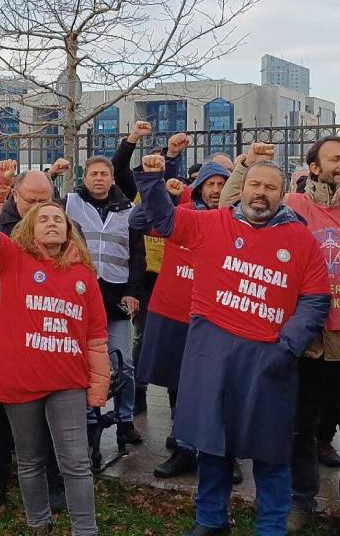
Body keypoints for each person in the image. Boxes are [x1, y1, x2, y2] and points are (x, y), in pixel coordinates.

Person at [136, 154, 331, 536]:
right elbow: (164, 221)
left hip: (269, 358)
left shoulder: (301, 239)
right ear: (241, 189)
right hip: (213, 353)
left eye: (271, 187)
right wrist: (151, 178)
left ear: (283, 194)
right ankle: (211, 520)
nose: (261, 194)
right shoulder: (211, 223)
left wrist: (287, 345)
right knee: (212, 445)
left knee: (271, 450)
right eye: (255, 185)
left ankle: (272, 524)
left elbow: (316, 298)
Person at [224, 139, 340, 536]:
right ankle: (301, 500)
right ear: (313, 166)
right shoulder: (292, 207)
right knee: (299, 427)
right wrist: (246, 165)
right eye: (335, 159)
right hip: (306, 338)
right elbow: (232, 210)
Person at [0, 159, 110, 536]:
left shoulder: (83, 277)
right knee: (29, 460)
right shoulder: (12, 261)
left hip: (66, 382)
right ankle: (39, 524)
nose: (50, 222)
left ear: (69, 231)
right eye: (42, 217)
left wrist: (98, 386)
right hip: (19, 381)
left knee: (76, 462)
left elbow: (95, 337)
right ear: (28, 227)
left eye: (57, 218)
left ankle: (85, 529)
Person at [0, 168, 67, 514]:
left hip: (48, 339)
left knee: (51, 414)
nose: (40, 208)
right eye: (32, 201)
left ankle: (53, 482)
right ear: (15, 197)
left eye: (46, 200)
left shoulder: (61, 224)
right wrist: (18, 284)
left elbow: (78, 266)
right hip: (1, 337)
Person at [134, 137, 219, 480]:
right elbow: (141, 220)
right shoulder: (182, 214)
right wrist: (162, 177)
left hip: (216, 318)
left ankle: (216, 454)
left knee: (216, 388)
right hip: (175, 312)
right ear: (198, 188)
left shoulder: (239, 223)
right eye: (210, 184)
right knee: (177, 384)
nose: (215, 190)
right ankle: (184, 447)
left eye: (222, 185)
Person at [65, 121, 148, 464]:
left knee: (123, 362)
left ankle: (125, 418)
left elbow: (138, 256)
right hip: (78, 294)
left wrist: (133, 292)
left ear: (112, 178)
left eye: (104, 173)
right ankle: (84, 416)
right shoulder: (70, 203)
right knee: (80, 361)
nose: (99, 178)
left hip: (115, 295)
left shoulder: (128, 209)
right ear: (85, 178)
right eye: (93, 174)